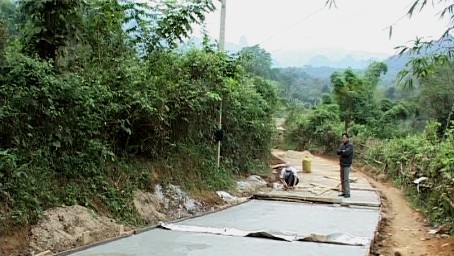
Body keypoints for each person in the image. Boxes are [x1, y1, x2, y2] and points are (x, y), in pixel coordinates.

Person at [336, 133, 354, 198]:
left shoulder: (350, 146)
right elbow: (337, 152)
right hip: (342, 164)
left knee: (346, 179)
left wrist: (342, 151)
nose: (343, 139)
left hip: (347, 165)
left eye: (344, 138)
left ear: (347, 138)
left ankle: (347, 192)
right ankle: (343, 191)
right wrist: (342, 151)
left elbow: (347, 153)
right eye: (342, 138)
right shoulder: (342, 145)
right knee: (342, 178)